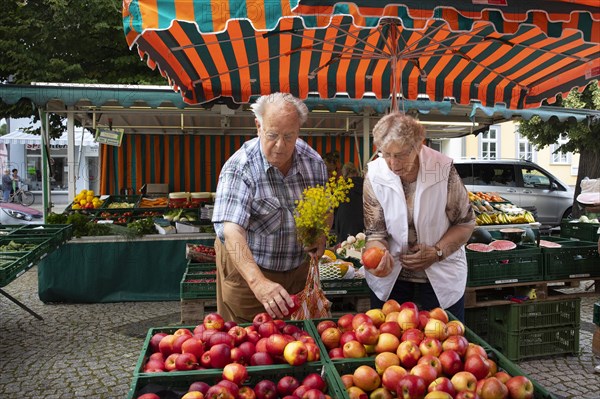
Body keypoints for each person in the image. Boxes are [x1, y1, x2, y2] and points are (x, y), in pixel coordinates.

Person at [212, 93, 329, 323]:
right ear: (258, 126)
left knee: (296, 339)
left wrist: (320, 233)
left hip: (297, 272)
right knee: (247, 342)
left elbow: (325, 210)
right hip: (249, 271)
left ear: (298, 131)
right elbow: (231, 231)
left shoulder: (313, 163)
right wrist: (258, 283)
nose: (280, 145)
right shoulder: (240, 168)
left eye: (289, 136)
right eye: (272, 135)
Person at [362, 112, 476, 322]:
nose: (393, 163)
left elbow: (465, 223)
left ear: (419, 145)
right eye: (386, 153)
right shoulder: (375, 175)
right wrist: (377, 257)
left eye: (402, 154)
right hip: (392, 279)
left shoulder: (442, 170)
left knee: (443, 342)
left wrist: (437, 252)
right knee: (390, 346)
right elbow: (375, 232)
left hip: (440, 277)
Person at [334, 162, 365, 244]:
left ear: (344, 173)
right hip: (360, 218)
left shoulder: (342, 185)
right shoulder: (364, 184)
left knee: (345, 246)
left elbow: (335, 205)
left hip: (344, 221)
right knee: (359, 244)